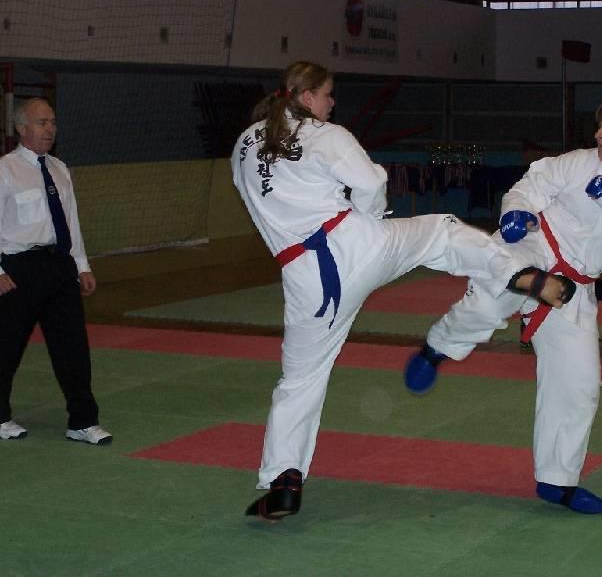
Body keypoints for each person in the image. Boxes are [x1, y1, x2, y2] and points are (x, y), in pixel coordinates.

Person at [232, 61, 574, 521]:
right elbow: (372, 182)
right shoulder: (324, 134)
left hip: (302, 275)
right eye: (328, 94)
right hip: (353, 243)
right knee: (441, 231)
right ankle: (517, 274)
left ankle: (283, 483)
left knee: (298, 381)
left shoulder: (243, 147)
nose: (333, 103)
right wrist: (371, 217)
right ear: (307, 96)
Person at [405, 94, 602, 514]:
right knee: (486, 305)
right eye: (600, 125)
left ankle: (557, 482)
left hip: (574, 285)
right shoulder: (580, 161)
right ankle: (436, 346)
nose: (598, 134)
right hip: (533, 247)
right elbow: (532, 184)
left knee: (579, 385)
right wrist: (516, 212)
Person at [0, 98, 112, 445]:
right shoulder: (5, 170)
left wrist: (81, 265)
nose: (50, 129)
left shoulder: (60, 169)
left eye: (52, 122)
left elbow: (70, 221)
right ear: (21, 128)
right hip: (17, 268)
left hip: (59, 265)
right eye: (41, 122)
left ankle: (82, 420)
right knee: (6, 348)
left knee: (73, 347)